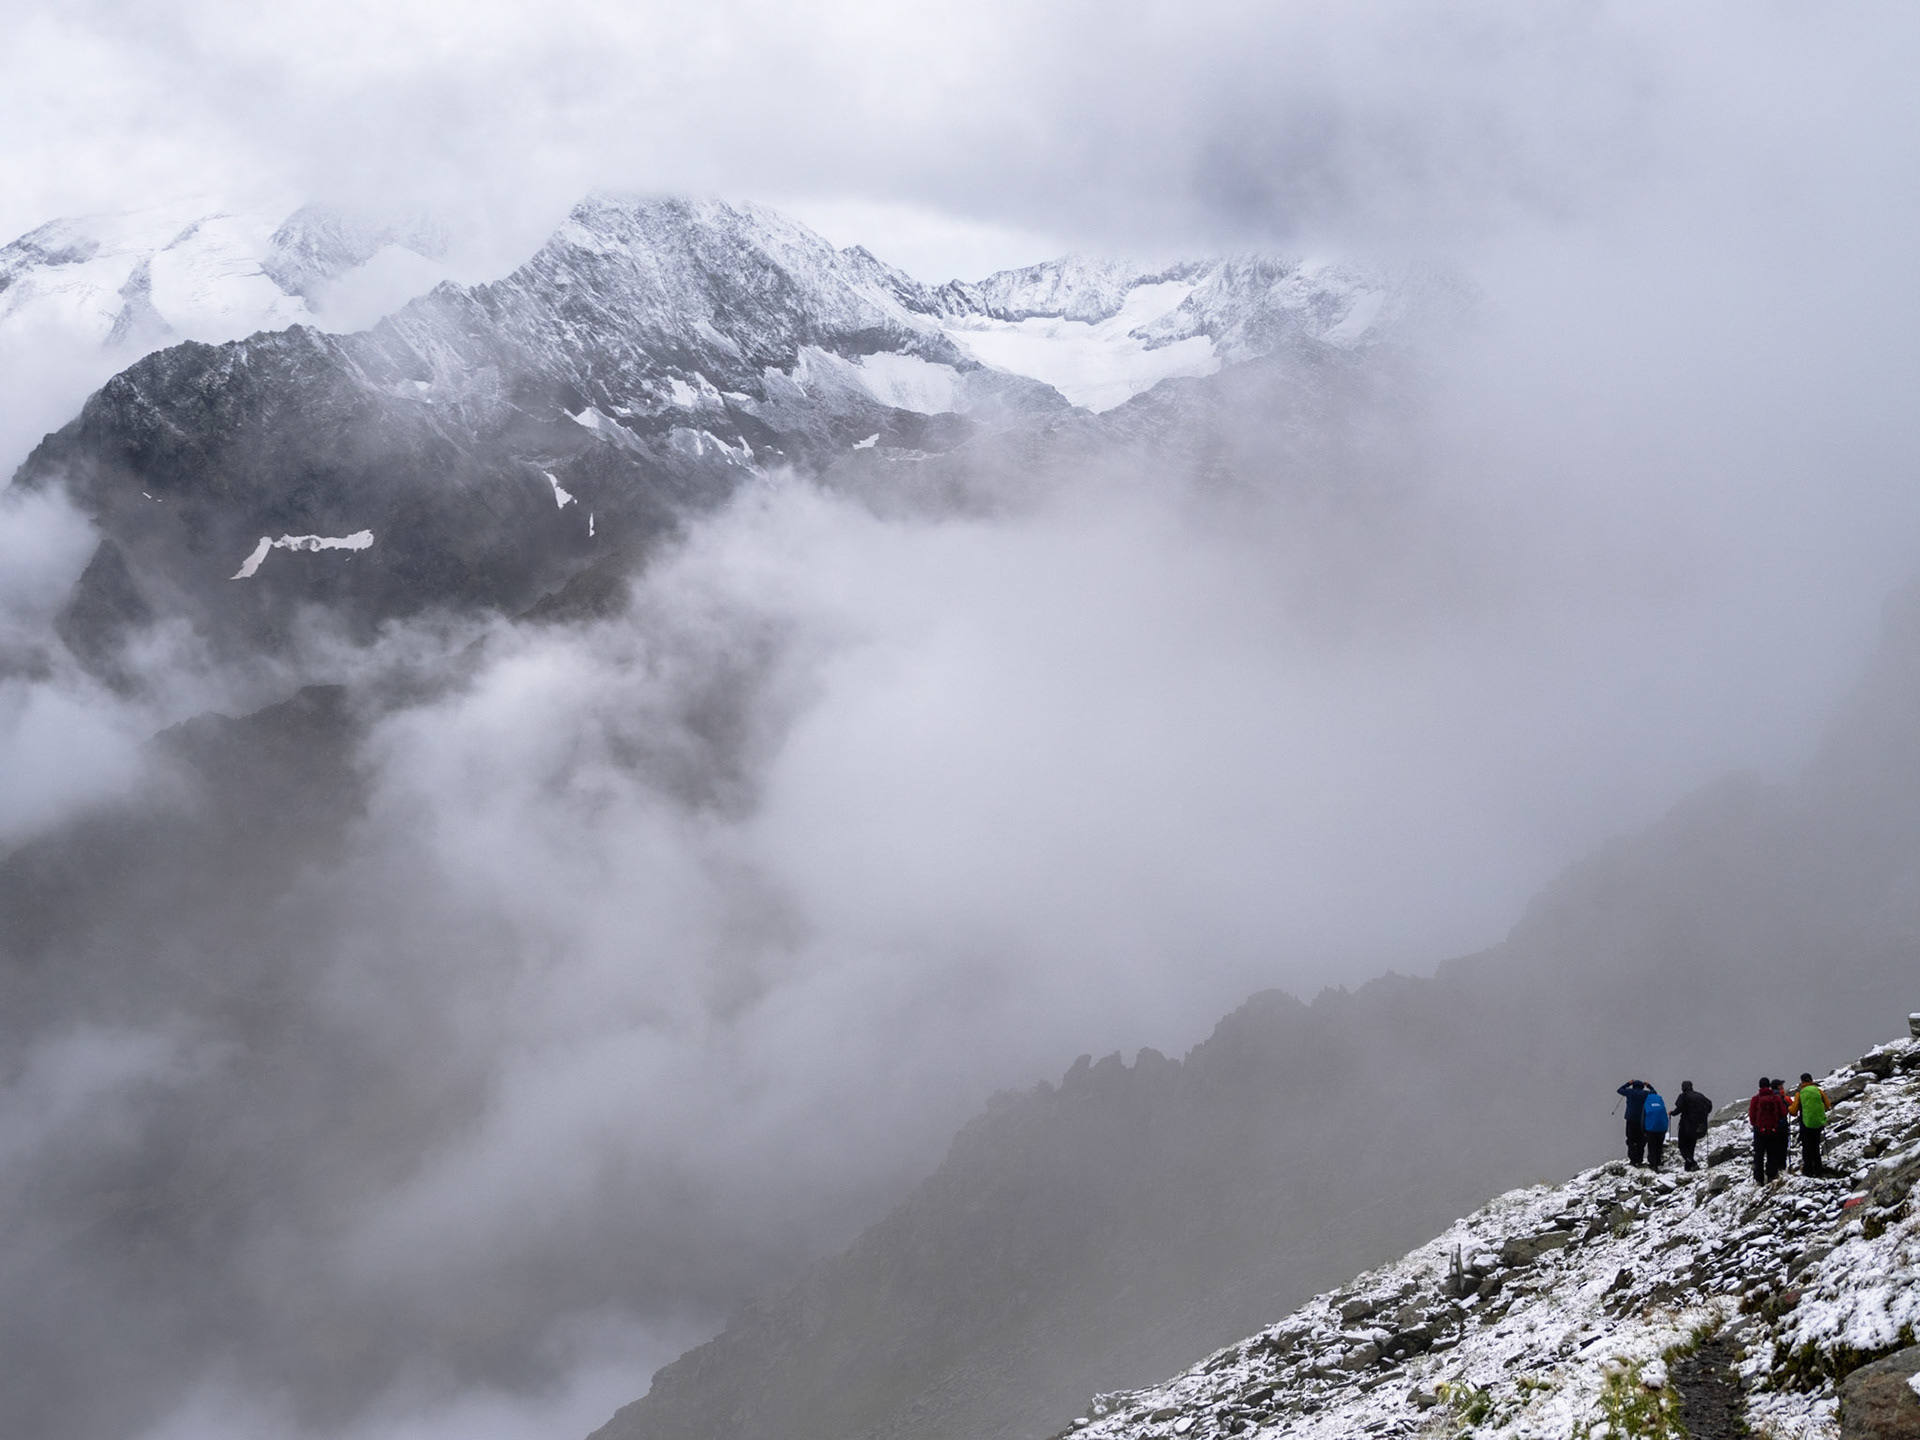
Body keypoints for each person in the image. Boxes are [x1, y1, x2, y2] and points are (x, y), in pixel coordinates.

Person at [1748, 1077, 1788, 1182]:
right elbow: (1783, 1113)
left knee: (1759, 1154)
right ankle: (1771, 1175)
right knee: (1772, 1153)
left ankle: (1759, 1178)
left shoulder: (1755, 1099)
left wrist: (1757, 1125)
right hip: (1774, 1130)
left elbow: (1752, 1117)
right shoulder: (1776, 1098)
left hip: (1759, 1131)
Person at [1791, 1072, 1830, 1176]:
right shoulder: (1818, 1091)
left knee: (1807, 1146)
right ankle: (1818, 1169)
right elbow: (1827, 1105)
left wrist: (1790, 1109)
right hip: (1818, 1123)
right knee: (1816, 1146)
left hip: (1805, 1123)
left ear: (1802, 1081)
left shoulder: (1800, 1093)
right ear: (1811, 1080)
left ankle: (1808, 1170)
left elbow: (1794, 1111)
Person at [1673, 1081, 1713, 1171]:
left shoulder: (1683, 1096)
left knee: (1682, 1146)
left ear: (1683, 1087)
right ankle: (1688, 1167)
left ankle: (1692, 1162)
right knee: (1691, 1146)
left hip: (1685, 1125)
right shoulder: (1700, 1096)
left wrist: (1672, 1113)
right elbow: (1709, 1105)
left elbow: (1678, 1108)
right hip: (1697, 1126)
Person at [1617, 1079, 1650, 1165]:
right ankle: (1639, 1159)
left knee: (1631, 1139)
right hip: (1642, 1120)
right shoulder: (1645, 1094)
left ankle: (1633, 1159)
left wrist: (1628, 1083)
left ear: (1633, 1086)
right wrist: (1649, 1086)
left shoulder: (1630, 1092)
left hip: (1630, 1119)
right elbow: (1654, 1092)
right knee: (1641, 1140)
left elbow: (1619, 1090)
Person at [1770, 1078, 1795, 1178]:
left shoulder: (1770, 1097)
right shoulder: (1784, 1098)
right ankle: (1782, 1166)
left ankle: (1774, 1169)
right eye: (1781, 1085)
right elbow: (1792, 1109)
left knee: (1773, 1148)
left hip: (1771, 1127)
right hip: (1782, 1126)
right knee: (1783, 1147)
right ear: (1779, 1087)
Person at [1641, 1086, 1670, 1169]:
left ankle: (1653, 1164)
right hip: (1661, 1128)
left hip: (1651, 1129)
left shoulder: (1647, 1102)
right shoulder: (1660, 1102)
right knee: (1659, 1146)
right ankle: (1657, 1161)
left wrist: (1643, 1130)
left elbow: (1643, 1118)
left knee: (1652, 1147)